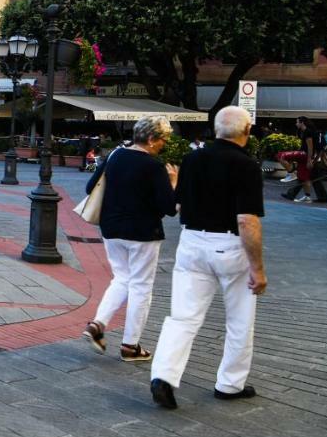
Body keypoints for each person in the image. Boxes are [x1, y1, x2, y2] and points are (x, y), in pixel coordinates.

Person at [150, 105, 267, 410]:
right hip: (229, 245)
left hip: (191, 243)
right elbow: (247, 220)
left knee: (183, 317)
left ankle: (163, 375)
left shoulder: (191, 159)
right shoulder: (247, 165)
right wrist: (258, 268)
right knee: (240, 319)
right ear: (247, 131)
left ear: (216, 129)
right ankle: (230, 384)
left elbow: (177, 205)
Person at [81, 116, 178, 363]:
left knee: (122, 278)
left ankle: (97, 324)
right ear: (151, 138)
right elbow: (169, 207)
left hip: (111, 227)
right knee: (141, 287)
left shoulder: (115, 155)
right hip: (143, 232)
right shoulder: (154, 166)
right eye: (162, 140)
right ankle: (130, 345)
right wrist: (174, 182)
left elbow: (90, 187)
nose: (163, 145)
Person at [278, 116, 326, 204]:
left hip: (309, 157)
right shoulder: (305, 132)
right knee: (305, 177)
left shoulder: (307, 132)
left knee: (305, 177)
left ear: (302, 122)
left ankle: (293, 190)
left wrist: (310, 160)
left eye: (297, 122)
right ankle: (308, 196)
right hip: (310, 157)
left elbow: (310, 147)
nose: (296, 124)